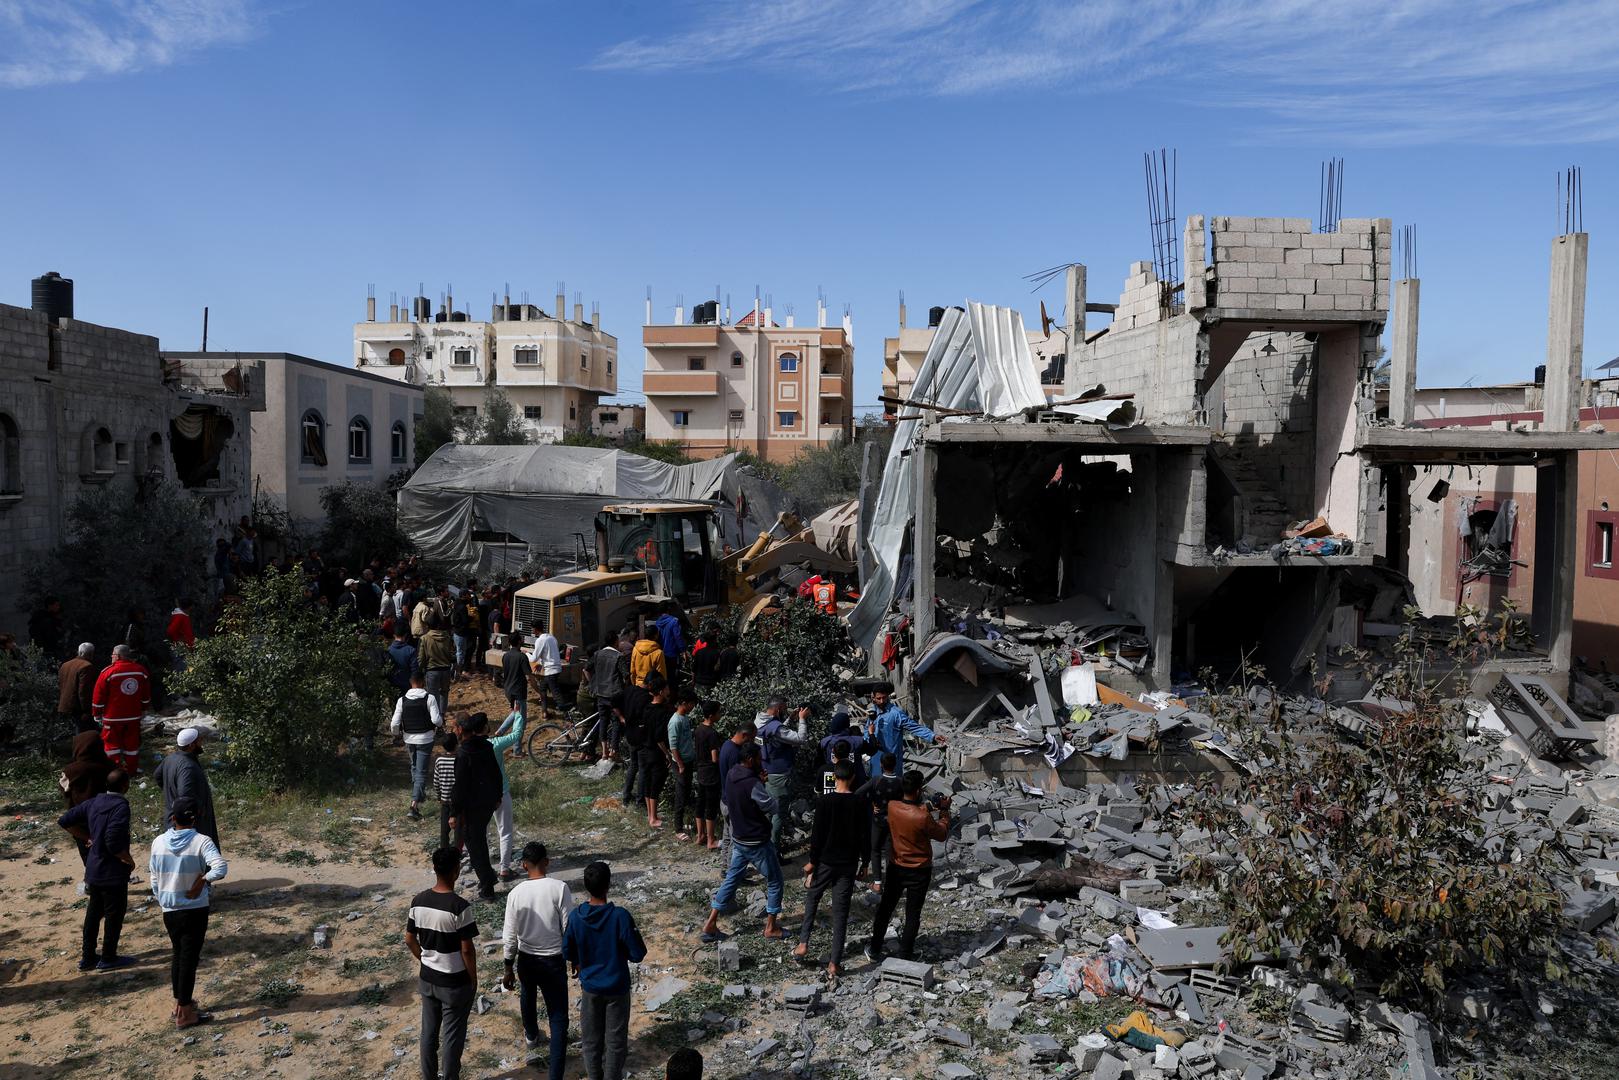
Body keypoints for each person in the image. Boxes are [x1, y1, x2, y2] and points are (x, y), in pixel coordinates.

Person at [563, 861, 647, 1080]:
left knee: (591, 1040)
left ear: (585, 887)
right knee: (616, 1041)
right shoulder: (620, 916)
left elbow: (567, 950)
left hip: (590, 988)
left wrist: (578, 961)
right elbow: (637, 953)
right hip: (617, 987)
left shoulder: (576, 918)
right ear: (609, 885)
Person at [149, 796, 228, 1028]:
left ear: (173, 818)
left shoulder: (158, 842)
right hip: (194, 909)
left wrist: (162, 895)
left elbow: (154, 876)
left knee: (178, 954)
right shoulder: (202, 841)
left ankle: (179, 1003)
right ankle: (185, 1014)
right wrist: (203, 880)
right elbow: (220, 867)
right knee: (189, 959)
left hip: (169, 909)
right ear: (197, 818)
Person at [502, 842, 575, 1080]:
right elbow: (568, 927)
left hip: (526, 959)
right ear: (547, 861)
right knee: (558, 1015)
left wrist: (507, 967)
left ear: (524, 865)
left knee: (528, 994)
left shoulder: (515, 894)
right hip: (553, 960)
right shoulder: (559, 888)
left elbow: (510, 935)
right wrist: (574, 957)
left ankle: (531, 1035)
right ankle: (556, 1074)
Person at [407, 847, 479, 1080]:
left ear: (434, 868)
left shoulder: (418, 901)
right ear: (456, 871)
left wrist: (425, 958)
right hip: (454, 982)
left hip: (428, 978)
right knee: (452, 1037)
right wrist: (472, 979)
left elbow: (409, 939)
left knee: (428, 1033)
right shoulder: (460, 907)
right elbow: (467, 949)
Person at [700, 743, 785, 941]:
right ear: (749, 760)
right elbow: (771, 807)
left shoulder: (732, 774)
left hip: (739, 838)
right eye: (757, 758)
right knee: (775, 881)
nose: (760, 761)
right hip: (756, 841)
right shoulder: (752, 783)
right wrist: (762, 785)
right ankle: (771, 927)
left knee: (731, 879)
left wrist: (758, 782)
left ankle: (711, 923)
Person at [794, 761, 870, 977]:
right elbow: (865, 835)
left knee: (812, 898)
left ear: (834, 777)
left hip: (826, 862)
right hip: (848, 863)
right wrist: (865, 862)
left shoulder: (824, 801)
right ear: (853, 778)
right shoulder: (859, 803)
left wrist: (812, 862)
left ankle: (803, 943)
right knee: (841, 912)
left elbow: (817, 835)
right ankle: (834, 963)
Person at [866, 770, 951, 963]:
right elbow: (941, 833)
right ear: (920, 789)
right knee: (913, 913)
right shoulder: (923, 817)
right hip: (920, 869)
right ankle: (905, 953)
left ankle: (875, 948)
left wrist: (930, 806)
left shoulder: (893, 806)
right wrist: (944, 811)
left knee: (886, 909)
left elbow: (911, 809)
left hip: (896, 866)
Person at [59, 768, 135, 971]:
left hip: (93, 868)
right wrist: (127, 859)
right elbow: (112, 839)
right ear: (125, 786)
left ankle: (88, 957)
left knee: (93, 914)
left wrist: (87, 837)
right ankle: (109, 957)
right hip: (112, 871)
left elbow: (65, 821)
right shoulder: (120, 806)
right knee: (114, 915)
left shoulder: (94, 801)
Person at [450, 712, 503, 899]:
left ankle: (487, 883)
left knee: (474, 845)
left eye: (454, 727)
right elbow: (496, 773)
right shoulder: (486, 746)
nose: (452, 730)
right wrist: (498, 795)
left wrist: (454, 812)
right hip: (488, 802)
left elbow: (460, 786)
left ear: (460, 729)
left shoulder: (464, 753)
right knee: (479, 840)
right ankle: (488, 878)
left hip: (472, 806)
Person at [756, 696, 811, 850]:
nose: (786, 710)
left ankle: (764, 845)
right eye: (785, 709)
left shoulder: (759, 722)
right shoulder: (775, 727)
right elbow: (800, 738)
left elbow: (775, 734)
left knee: (767, 811)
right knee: (778, 814)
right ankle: (774, 850)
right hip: (779, 776)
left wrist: (788, 719)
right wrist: (802, 719)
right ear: (778, 709)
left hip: (766, 772)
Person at [392, 672, 444, 821]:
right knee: (421, 771)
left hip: (409, 738)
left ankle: (419, 794)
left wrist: (397, 734)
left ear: (411, 682)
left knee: (415, 767)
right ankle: (414, 805)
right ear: (423, 682)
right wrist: (440, 723)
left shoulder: (402, 700)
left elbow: (394, 723)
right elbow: (436, 720)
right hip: (425, 739)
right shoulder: (430, 698)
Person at [154, 728, 219, 847]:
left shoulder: (170, 758)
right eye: (199, 740)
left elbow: (157, 775)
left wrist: (170, 793)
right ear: (191, 745)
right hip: (190, 824)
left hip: (175, 816)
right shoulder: (187, 766)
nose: (201, 743)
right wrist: (199, 810)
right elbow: (185, 794)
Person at [92, 644, 150, 775]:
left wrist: (96, 713)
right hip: (133, 716)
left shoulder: (107, 672)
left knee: (111, 746)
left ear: (118, 656)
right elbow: (146, 695)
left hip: (112, 718)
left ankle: (114, 770)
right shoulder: (141, 671)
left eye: (112, 654)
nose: (111, 657)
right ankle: (131, 770)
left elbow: (98, 696)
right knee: (132, 745)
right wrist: (144, 709)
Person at [867, 684, 946, 778]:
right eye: (878, 698)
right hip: (876, 756)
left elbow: (914, 727)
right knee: (876, 784)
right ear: (874, 698)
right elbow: (867, 730)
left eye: (884, 698)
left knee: (894, 786)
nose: (882, 701)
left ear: (888, 696)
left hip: (892, 758)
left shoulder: (896, 713)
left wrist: (932, 736)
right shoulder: (873, 713)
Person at [60, 730, 114, 864]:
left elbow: (64, 790)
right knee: (109, 853)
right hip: (106, 817)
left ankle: (92, 880)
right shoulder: (108, 766)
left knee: (88, 856)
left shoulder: (71, 770)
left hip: (81, 821)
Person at [856, 752, 904, 893]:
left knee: (875, 850)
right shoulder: (901, 782)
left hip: (878, 821)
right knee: (891, 852)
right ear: (895, 765)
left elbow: (858, 793)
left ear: (881, 765)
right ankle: (891, 884)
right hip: (894, 822)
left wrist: (871, 803)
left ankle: (877, 883)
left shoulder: (876, 780)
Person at [489, 709, 527, 880]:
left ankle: (484, 869)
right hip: (501, 792)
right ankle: (504, 869)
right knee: (504, 832)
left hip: (479, 797)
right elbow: (517, 734)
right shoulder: (495, 744)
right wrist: (517, 715)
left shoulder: (466, 749)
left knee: (481, 832)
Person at [613, 674, 656, 808]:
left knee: (633, 765)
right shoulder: (647, 698)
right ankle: (640, 800)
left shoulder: (629, 690)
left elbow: (613, 701)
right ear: (650, 684)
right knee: (643, 768)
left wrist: (621, 717)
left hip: (630, 734)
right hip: (641, 736)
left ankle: (626, 796)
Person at [638, 682, 674, 829]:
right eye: (666, 688)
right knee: (656, 784)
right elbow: (659, 737)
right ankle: (653, 818)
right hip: (656, 750)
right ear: (660, 691)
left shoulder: (647, 707)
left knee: (648, 781)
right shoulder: (662, 712)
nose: (668, 690)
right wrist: (667, 754)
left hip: (645, 748)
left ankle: (651, 815)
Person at [667, 691, 699, 840]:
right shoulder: (675, 721)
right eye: (692, 704)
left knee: (686, 792)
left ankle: (685, 823)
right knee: (680, 794)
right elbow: (673, 746)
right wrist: (680, 764)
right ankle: (678, 828)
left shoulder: (685, 718)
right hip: (680, 763)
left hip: (688, 760)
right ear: (685, 703)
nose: (693, 707)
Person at [691, 702, 724, 850]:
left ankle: (700, 835)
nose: (720, 715)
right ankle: (711, 840)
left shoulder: (698, 729)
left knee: (700, 803)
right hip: (711, 772)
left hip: (701, 770)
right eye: (718, 713)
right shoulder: (712, 733)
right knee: (711, 806)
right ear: (711, 716)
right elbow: (715, 758)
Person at [417, 614, 456, 719]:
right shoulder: (447, 636)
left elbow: (421, 658)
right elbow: (452, 653)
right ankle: (442, 715)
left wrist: (420, 670)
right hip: (446, 670)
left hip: (432, 671)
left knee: (433, 696)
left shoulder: (424, 638)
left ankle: (434, 718)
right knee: (444, 693)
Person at [57, 642, 97, 735]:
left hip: (65, 704)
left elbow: (61, 684)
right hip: (79, 707)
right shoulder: (86, 666)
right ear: (90, 654)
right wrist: (87, 710)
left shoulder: (65, 665)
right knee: (83, 733)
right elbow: (84, 691)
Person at [433, 730, 460, 850]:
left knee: (444, 830)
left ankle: (444, 850)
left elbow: (436, 782)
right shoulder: (460, 760)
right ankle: (457, 853)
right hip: (458, 801)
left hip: (445, 801)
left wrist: (439, 796)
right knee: (458, 830)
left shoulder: (439, 761)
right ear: (456, 744)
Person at [528, 620, 562, 712]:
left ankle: (567, 715)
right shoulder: (552, 638)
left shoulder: (540, 640)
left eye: (532, 628)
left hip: (551, 671)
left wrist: (526, 654)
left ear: (535, 629)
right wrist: (541, 664)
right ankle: (544, 712)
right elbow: (549, 655)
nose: (531, 630)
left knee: (556, 694)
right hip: (556, 669)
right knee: (542, 689)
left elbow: (533, 659)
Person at [502, 637, 532, 722]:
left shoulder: (505, 656)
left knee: (516, 714)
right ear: (519, 641)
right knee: (521, 720)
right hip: (518, 692)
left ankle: (499, 732)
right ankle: (499, 732)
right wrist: (538, 691)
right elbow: (529, 677)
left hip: (508, 691)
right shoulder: (522, 657)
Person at [653, 603, 686, 682]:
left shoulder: (657, 622)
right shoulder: (674, 621)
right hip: (672, 653)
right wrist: (683, 650)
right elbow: (678, 637)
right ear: (668, 609)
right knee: (673, 675)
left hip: (661, 653)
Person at [388, 627, 418, 695]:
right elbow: (415, 670)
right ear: (405, 635)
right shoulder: (411, 650)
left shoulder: (389, 650)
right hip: (407, 686)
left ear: (394, 635)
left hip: (393, 686)